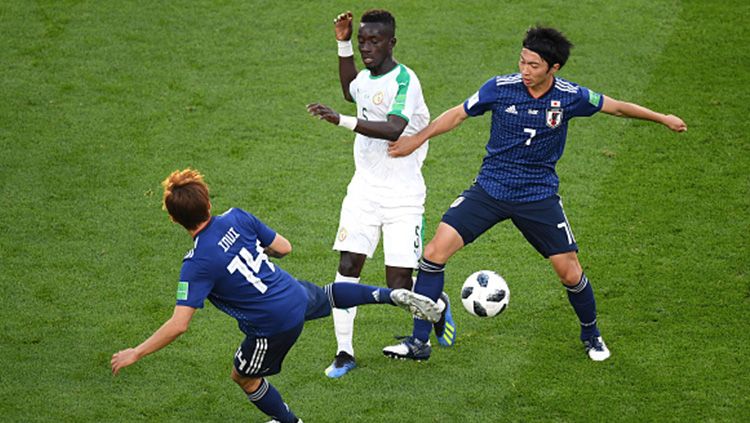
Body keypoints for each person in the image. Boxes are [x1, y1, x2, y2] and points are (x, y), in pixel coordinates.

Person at [385, 26, 687, 362]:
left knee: (570, 273)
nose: (524, 71)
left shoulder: (571, 96)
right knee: (433, 253)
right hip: (490, 189)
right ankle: (419, 342)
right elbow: (457, 114)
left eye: (533, 66)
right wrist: (416, 139)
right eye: (522, 62)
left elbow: (615, 107)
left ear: (553, 68)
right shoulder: (499, 88)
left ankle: (592, 335)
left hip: (537, 197)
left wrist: (662, 118)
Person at [110, 169, 442, 423]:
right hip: (290, 291)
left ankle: (289, 421)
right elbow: (284, 248)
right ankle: (389, 295)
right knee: (328, 295)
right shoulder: (237, 216)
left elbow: (179, 324)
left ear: (174, 219)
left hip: (272, 325)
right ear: (209, 201)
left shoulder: (195, 265)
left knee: (244, 376)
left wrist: (136, 353)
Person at [306, 9, 455, 377]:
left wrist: (340, 120)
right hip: (363, 193)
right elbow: (349, 89)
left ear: (392, 42)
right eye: (362, 42)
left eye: (374, 41)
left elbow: (393, 129)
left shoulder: (406, 81)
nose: (367, 48)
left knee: (398, 283)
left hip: (404, 198)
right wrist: (342, 43)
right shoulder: (365, 78)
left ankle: (435, 300)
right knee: (347, 265)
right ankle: (344, 352)